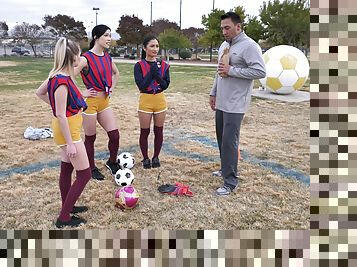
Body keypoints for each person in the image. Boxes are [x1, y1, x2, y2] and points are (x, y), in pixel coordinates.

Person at [36, 37, 91, 228]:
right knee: (85, 174)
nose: (81, 57)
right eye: (78, 54)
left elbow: (40, 93)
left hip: (69, 127)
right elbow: (60, 114)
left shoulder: (58, 75)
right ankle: (64, 218)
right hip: (68, 131)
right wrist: (70, 143)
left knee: (67, 169)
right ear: (72, 57)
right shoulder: (61, 81)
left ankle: (68, 205)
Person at [209, 12, 266, 195]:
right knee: (221, 137)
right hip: (222, 101)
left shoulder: (249, 46)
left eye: (227, 28)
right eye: (222, 28)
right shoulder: (224, 45)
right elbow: (220, 71)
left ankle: (230, 182)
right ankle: (225, 169)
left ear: (238, 27)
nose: (224, 32)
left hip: (236, 103)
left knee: (229, 141)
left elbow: (259, 71)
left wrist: (232, 70)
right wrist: (214, 92)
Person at [74, 24, 120, 180]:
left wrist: (111, 89)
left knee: (114, 135)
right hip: (90, 104)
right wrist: (82, 93)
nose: (109, 39)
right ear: (96, 37)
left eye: (110, 35)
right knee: (90, 138)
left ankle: (112, 162)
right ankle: (91, 168)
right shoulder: (85, 58)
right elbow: (67, 77)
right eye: (106, 35)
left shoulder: (107, 57)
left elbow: (116, 73)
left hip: (104, 102)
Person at [133, 35, 170, 169]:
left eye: (157, 46)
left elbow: (165, 85)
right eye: (152, 46)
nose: (155, 49)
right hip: (146, 102)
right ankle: (145, 158)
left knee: (159, 131)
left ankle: (155, 157)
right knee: (145, 131)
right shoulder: (139, 65)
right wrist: (151, 73)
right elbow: (142, 86)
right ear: (144, 48)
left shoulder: (164, 65)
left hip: (160, 101)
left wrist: (157, 75)